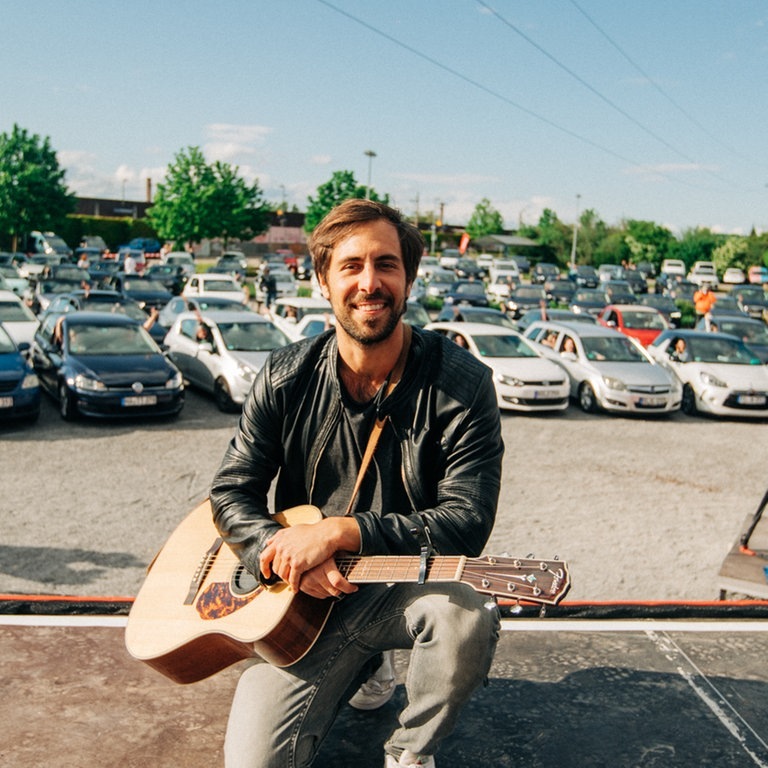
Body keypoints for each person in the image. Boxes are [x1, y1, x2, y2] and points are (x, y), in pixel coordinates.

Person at [210, 199, 503, 768]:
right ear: (322, 279)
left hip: (404, 586)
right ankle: (368, 663)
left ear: (409, 276)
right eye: (351, 266)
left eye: (386, 264)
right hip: (304, 602)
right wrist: (280, 550)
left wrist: (343, 532)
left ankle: (410, 752)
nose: (370, 283)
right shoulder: (285, 375)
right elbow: (231, 492)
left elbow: (466, 521)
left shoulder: (464, 386)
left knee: (465, 616)